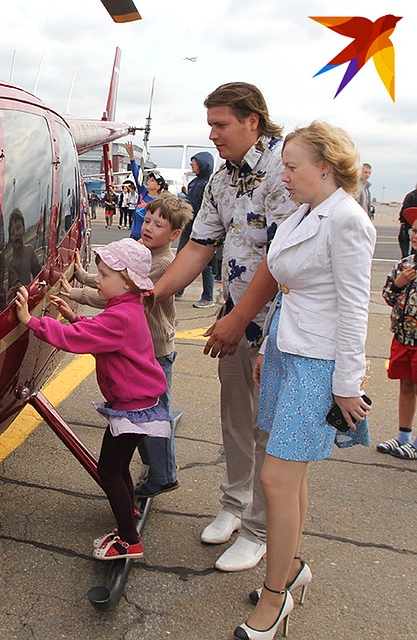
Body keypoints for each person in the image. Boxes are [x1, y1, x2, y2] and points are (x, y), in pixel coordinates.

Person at [207, 121, 374, 639]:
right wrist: (270, 348)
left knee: (276, 481)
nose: (284, 173)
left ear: (326, 166)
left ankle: (276, 598)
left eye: (292, 165)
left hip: (319, 366)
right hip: (286, 353)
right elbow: (288, 286)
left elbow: (353, 308)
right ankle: (293, 565)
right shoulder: (305, 213)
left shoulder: (346, 220)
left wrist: (347, 383)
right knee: (290, 480)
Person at [154, 82, 298, 573]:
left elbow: (281, 259)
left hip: (279, 325)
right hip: (235, 318)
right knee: (236, 420)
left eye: (220, 124)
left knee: (267, 430)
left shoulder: (284, 171)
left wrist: (238, 319)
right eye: (210, 124)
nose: (212, 134)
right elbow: (198, 246)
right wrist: (152, 294)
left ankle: (258, 530)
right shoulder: (221, 181)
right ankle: (234, 506)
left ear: (252, 121)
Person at [15, 238, 169, 561]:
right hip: (138, 404)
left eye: (103, 274)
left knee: (109, 470)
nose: (97, 279)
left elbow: (77, 341)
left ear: (126, 281)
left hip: (131, 408)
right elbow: (101, 333)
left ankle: (129, 540)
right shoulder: (125, 308)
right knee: (118, 466)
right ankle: (130, 513)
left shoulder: (121, 315)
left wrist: (31, 322)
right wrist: (75, 317)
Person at [63, 195, 193, 498]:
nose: (148, 228)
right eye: (147, 220)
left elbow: (119, 294)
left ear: (174, 235)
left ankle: (164, 475)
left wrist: (78, 293)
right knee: (146, 418)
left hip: (155, 351)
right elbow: (113, 276)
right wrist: (83, 275)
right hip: (137, 347)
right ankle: (155, 465)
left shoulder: (162, 264)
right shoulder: (143, 253)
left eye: (158, 225)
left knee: (155, 419)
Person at [378, 207, 417, 460]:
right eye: (414, 230)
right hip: (403, 338)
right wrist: (398, 283)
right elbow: (388, 296)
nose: (415, 235)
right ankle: (403, 436)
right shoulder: (404, 265)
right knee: (406, 385)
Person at [175, 151, 218, 307]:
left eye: (194, 163)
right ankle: (178, 288)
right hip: (188, 226)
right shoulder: (194, 183)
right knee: (180, 258)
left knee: (205, 264)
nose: (192, 166)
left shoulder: (210, 183)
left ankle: (208, 296)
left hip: (203, 229)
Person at [125, 142, 164, 240]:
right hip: (134, 234)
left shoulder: (159, 202)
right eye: (149, 179)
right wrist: (132, 157)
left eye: (152, 181)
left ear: (158, 186)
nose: (149, 181)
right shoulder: (143, 192)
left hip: (146, 237)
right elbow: (136, 174)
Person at [398, 184, 417, 258]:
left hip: (408, 223)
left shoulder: (410, 196)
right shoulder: (411, 196)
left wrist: (402, 221)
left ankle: (406, 257)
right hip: (409, 223)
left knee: (405, 244)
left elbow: (404, 210)